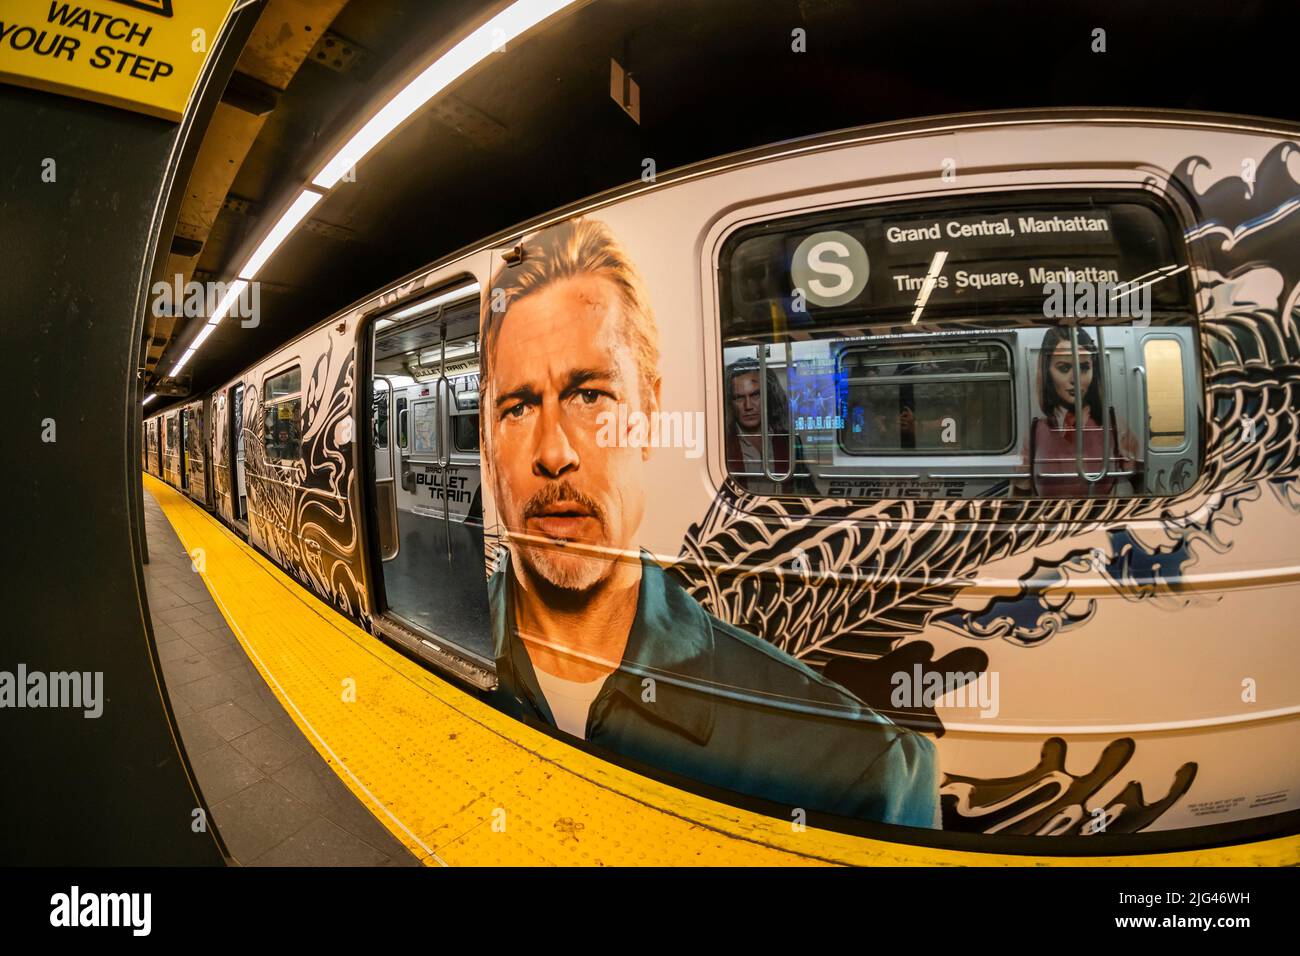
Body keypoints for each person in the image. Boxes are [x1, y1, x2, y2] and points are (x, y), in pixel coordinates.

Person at [478, 217, 939, 828]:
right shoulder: (439, 642)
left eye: (590, 395)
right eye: (518, 405)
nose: (554, 451)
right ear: (485, 438)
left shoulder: (857, 770)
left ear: (649, 414)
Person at [1026, 325, 1139, 496]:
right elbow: (1023, 490)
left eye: (1084, 368)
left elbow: (1134, 482)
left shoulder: (1116, 427)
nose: (1075, 379)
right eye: (1064, 368)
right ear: (1047, 372)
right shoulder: (1035, 433)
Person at [723, 357, 814, 494]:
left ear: (768, 396)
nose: (748, 406)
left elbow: (805, 491)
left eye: (755, 395)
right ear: (730, 402)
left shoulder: (789, 441)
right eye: (739, 398)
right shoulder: (723, 445)